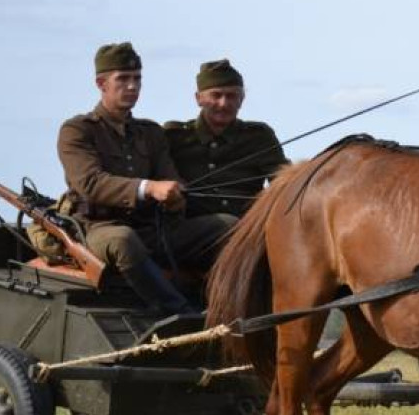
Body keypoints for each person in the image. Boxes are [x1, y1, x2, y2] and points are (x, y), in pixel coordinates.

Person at [57, 42, 236, 316]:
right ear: (101, 83)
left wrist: (176, 197)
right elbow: (90, 183)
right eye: (123, 79)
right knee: (123, 240)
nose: (132, 86)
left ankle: (226, 307)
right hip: (96, 228)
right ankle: (179, 313)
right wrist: (148, 188)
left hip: (151, 229)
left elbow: (169, 177)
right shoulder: (77, 131)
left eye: (137, 79)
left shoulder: (150, 133)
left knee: (227, 226)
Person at [164, 59, 287, 218]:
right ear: (199, 99)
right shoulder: (175, 136)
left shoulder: (259, 137)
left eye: (231, 96)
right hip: (188, 231)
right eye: (216, 95)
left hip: (246, 229)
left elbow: (284, 182)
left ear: (241, 100)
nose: (223, 103)